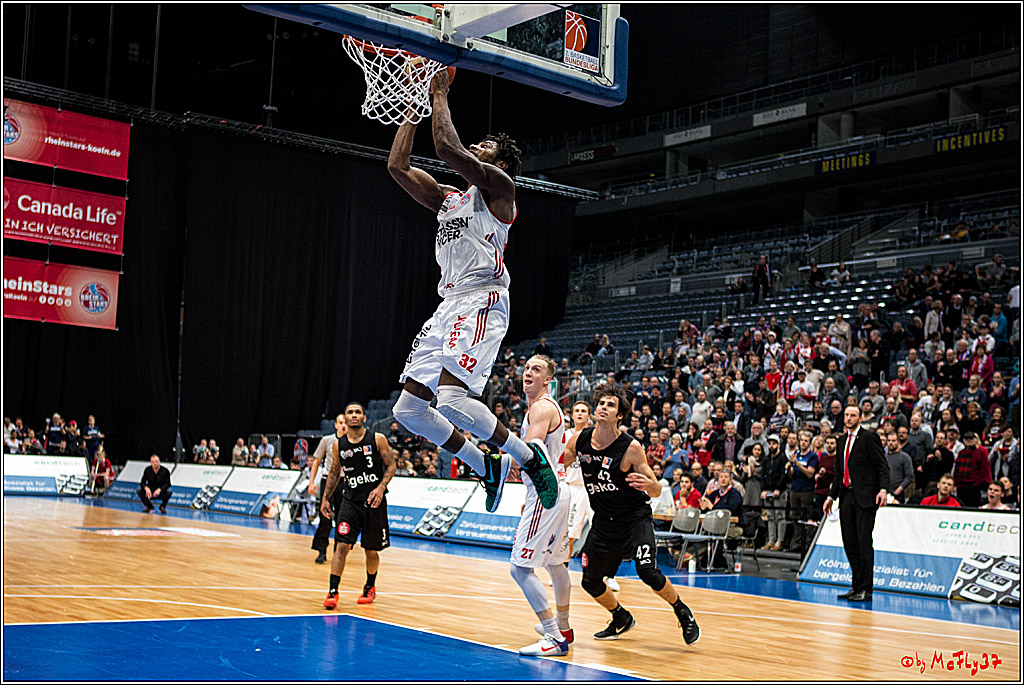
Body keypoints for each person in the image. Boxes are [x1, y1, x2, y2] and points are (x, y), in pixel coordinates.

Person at [386, 70, 557, 516]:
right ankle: (485, 463)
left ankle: (526, 458)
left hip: (483, 298)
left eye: (487, 148)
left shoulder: (501, 190)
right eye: (478, 144)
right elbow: (398, 167)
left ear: (499, 164)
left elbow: (447, 149)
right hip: (449, 304)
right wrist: (410, 106)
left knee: (454, 400)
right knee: (408, 410)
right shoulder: (449, 200)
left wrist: (438, 91)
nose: (479, 147)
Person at [562, 384, 700, 645]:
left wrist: (651, 486)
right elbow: (558, 461)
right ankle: (620, 617)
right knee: (590, 582)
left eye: (610, 405)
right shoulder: (579, 440)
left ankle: (682, 611)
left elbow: (658, 488)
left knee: (648, 571)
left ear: (620, 415)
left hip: (634, 519)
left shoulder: (630, 447)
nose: (603, 407)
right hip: (604, 522)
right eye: (601, 403)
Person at [511, 355, 575, 657]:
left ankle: (553, 636)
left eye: (535, 370)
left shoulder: (541, 407)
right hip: (560, 490)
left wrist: (507, 460)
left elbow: (532, 449)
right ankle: (563, 626)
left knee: (520, 568)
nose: (528, 374)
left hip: (545, 492)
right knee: (555, 563)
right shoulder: (547, 407)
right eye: (526, 369)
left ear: (548, 379)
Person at [321, 403, 397, 609]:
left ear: (364, 417)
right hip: (350, 501)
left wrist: (381, 488)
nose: (353, 415)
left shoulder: (377, 439)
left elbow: (392, 465)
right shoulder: (339, 444)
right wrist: (325, 498)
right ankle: (333, 592)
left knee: (371, 550)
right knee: (341, 545)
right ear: (344, 419)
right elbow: (335, 471)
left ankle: (370, 587)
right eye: (349, 413)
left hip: (374, 502)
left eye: (357, 412)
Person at [823, 406, 889, 602]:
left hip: (866, 496)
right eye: (846, 415)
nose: (849, 418)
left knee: (863, 541)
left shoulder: (869, 438)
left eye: (853, 415)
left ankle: (866, 589)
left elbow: (882, 466)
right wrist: (831, 497)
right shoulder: (841, 440)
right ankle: (856, 585)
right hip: (846, 496)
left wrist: (883, 489)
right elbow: (838, 472)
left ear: (860, 418)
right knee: (849, 541)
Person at [309, 415, 348, 563]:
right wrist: (312, 482)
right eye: (340, 423)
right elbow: (316, 460)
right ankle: (321, 550)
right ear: (335, 425)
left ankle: (339, 552)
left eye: (345, 423)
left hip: (345, 482)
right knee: (325, 517)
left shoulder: (353, 441)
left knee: (342, 518)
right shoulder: (326, 440)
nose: (343, 425)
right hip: (328, 481)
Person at [759, 434, 789, 551]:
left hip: (778, 491)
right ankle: (771, 539)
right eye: (770, 444)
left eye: (774, 443)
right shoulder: (766, 459)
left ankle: (780, 540)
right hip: (768, 491)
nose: (771, 446)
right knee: (770, 517)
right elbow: (763, 475)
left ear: (778, 445)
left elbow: (784, 475)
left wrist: (779, 489)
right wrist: (763, 489)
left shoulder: (782, 458)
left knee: (780, 516)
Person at [952, 432, 991, 507]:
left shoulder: (981, 452)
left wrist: (981, 484)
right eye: (966, 438)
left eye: (971, 438)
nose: (968, 440)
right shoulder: (961, 452)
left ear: (975, 440)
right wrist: (955, 483)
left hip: (974, 487)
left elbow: (985, 470)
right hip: (961, 487)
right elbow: (956, 469)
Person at [883, 432, 914, 504]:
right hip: (885, 492)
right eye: (889, 440)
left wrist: (899, 490)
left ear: (898, 442)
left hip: (898, 493)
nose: (891, 443)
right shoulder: (883, 457)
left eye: (893, 441)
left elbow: (909, 476)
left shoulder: (905, 457)